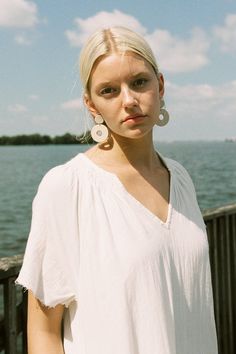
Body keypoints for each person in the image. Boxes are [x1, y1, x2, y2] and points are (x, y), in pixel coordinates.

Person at [16, 26, 218, 354]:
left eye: (139, 82)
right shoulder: (67, 186)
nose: (129, 101)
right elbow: (44, 331)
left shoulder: (180, 177)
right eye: (109, 90)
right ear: (91, 105)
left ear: (160, 85)